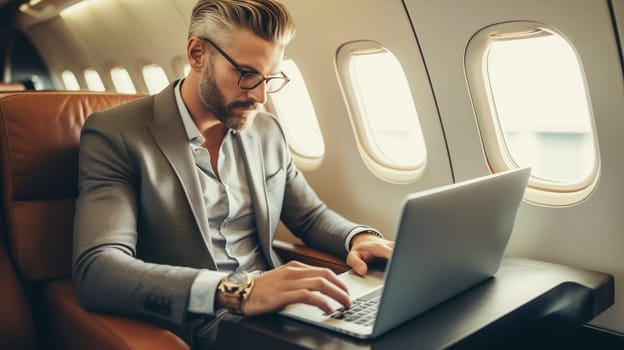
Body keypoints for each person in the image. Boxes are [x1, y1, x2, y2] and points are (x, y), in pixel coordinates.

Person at [72, 0, 393, 347]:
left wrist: (359, 238)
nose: (260, 96)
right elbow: (97, 270)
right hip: (206, 321)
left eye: (271, 77)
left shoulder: (267, 131)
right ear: (197, 54)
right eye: (247, 74)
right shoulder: (116, 134)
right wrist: (238, 292)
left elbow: (310, 216)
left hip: (282, 311)